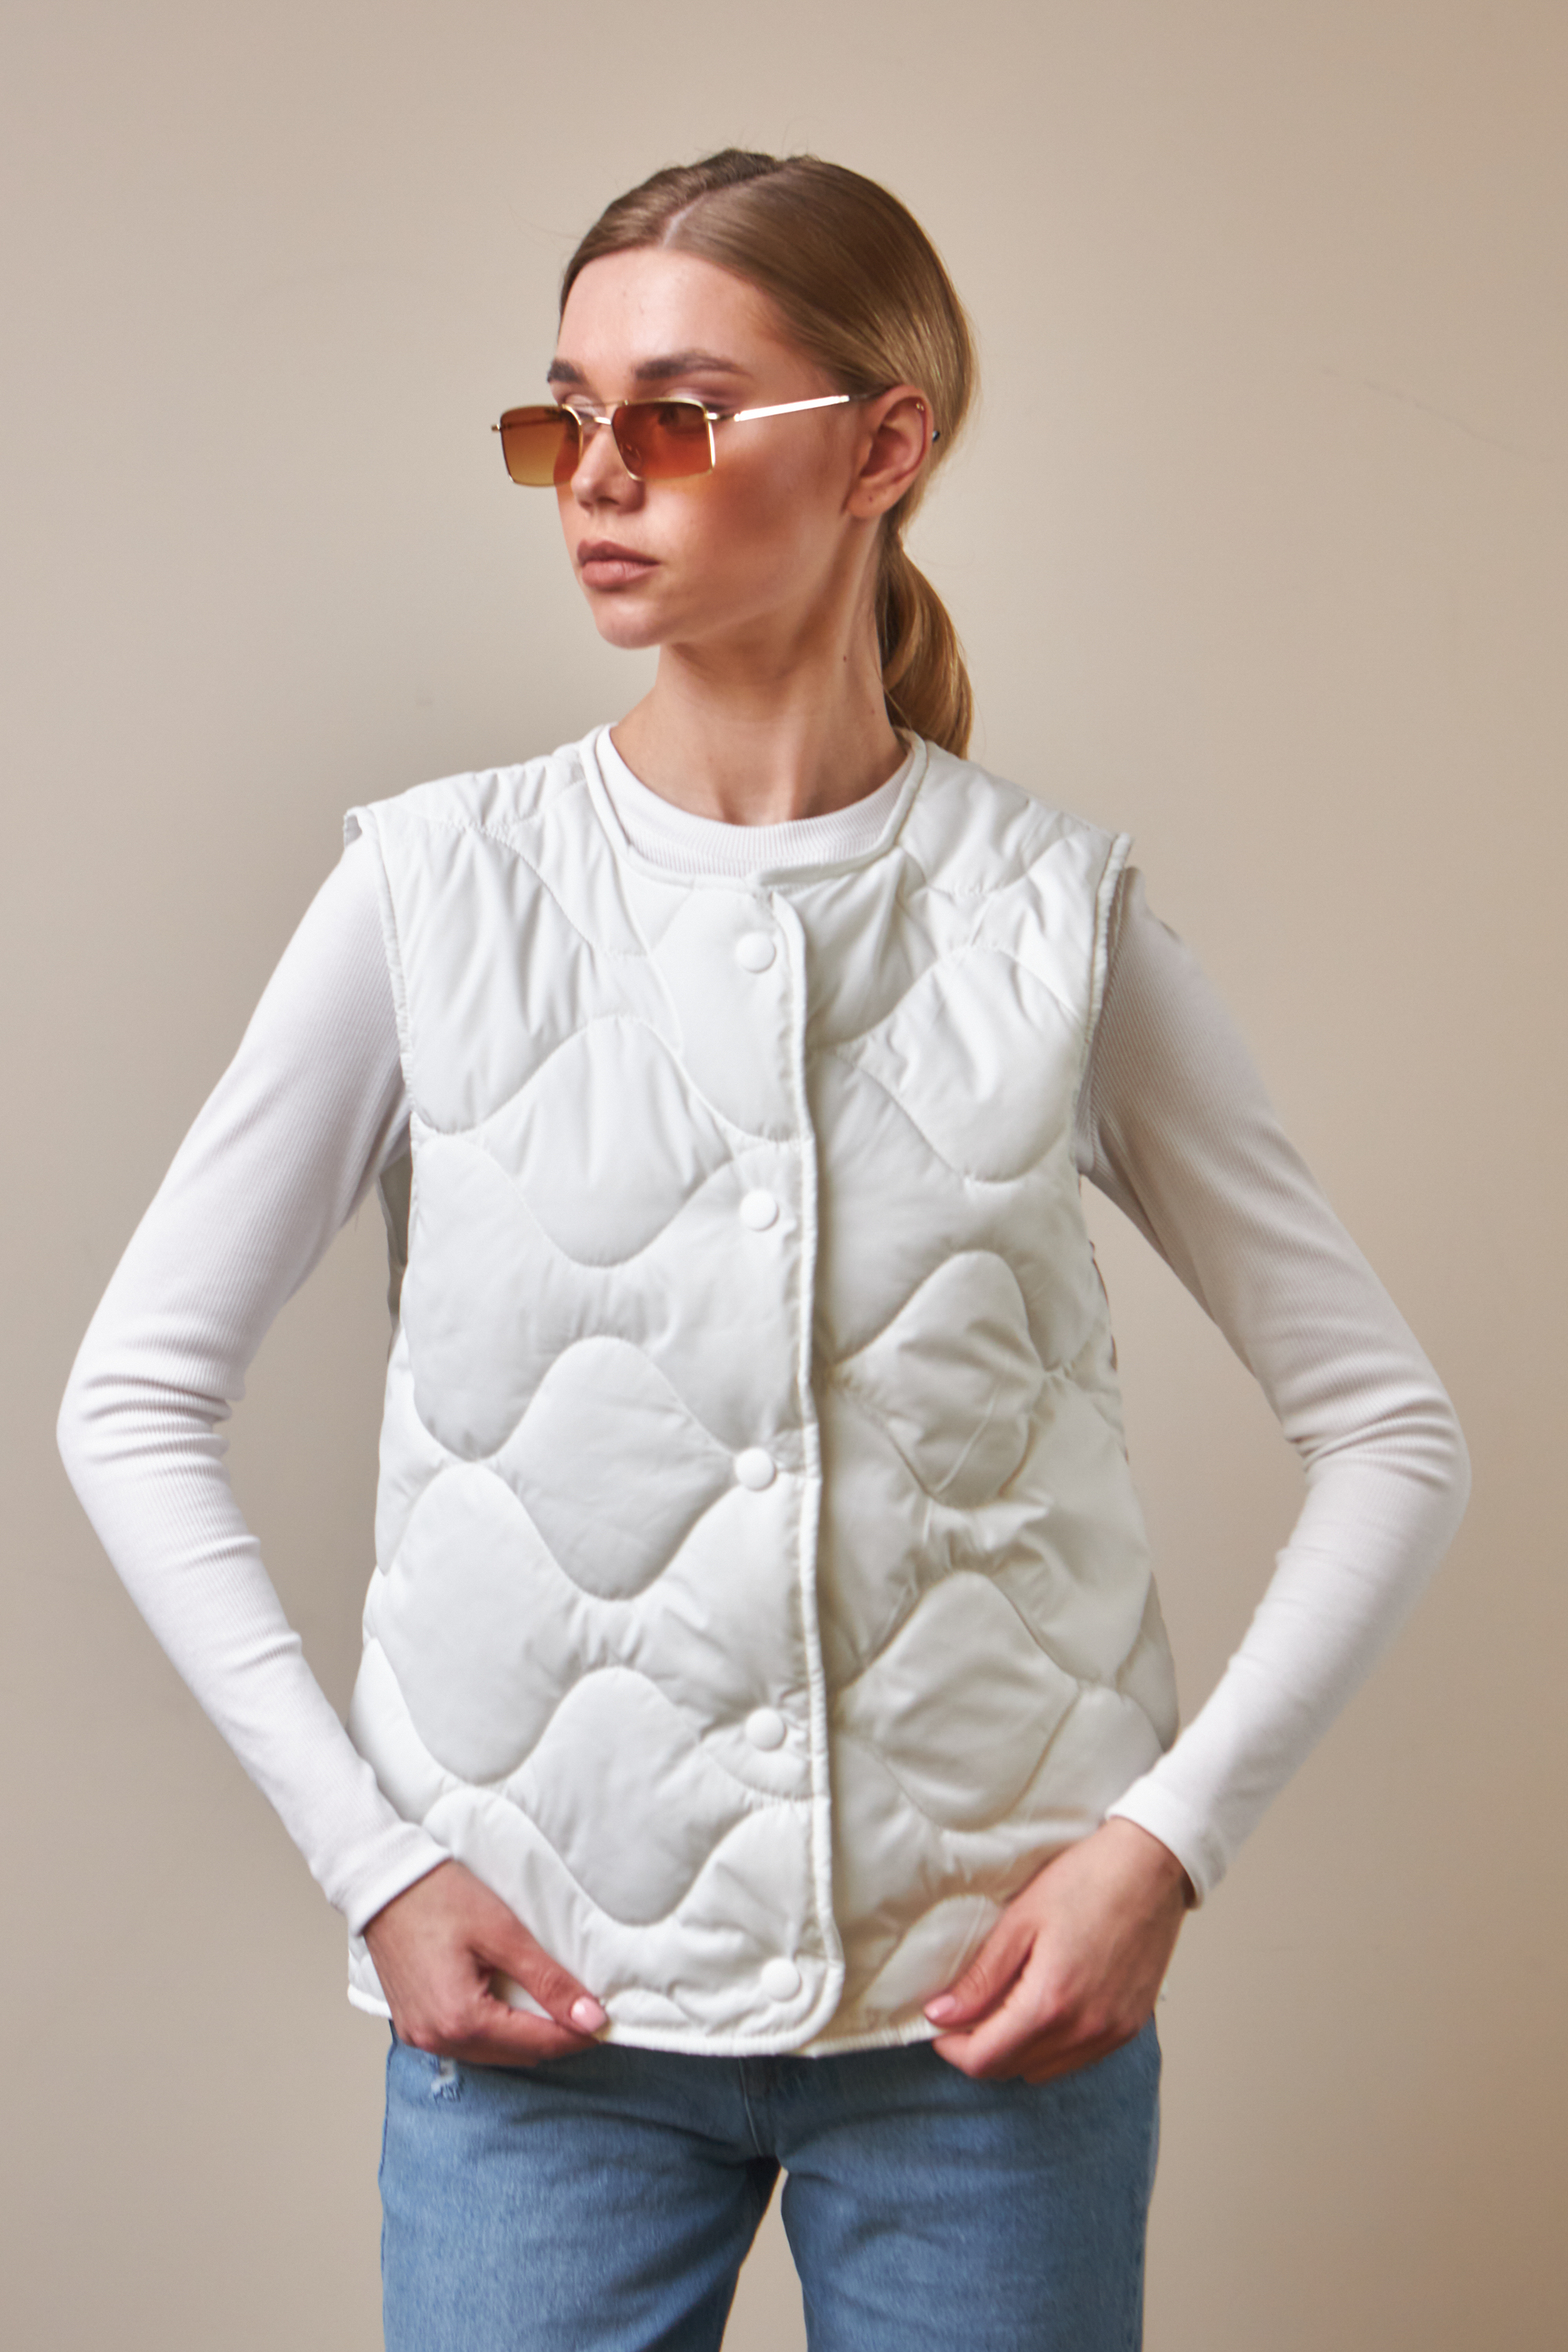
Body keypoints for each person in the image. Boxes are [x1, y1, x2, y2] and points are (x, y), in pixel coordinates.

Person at [58, 151, 1469, 2350]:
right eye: (562, 417)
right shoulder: (433, 894)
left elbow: (1390, 1427)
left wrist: (1163, 1847)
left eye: (681, 413)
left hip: (988, 2035)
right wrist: (377, 1864)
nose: (600, 475)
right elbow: (131, 1399)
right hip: (543, 2021)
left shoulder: (1056, 918)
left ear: (886, 447)